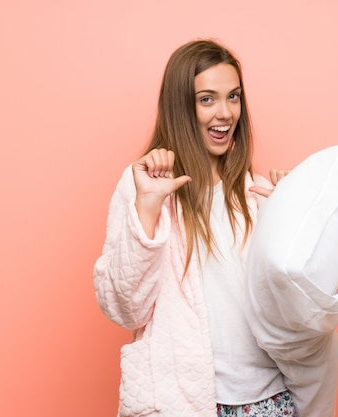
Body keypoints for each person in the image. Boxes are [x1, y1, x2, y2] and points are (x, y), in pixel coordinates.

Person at [93, 39, 296, 417]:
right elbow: (124, 309)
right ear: (180, 106)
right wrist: (149, 208)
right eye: (207, 99)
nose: (225, 112)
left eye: (233, 97)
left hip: (268, 400)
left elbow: (292, 310)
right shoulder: (143, 186)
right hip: (180, 403)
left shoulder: (255, 193)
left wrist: (294, 216)